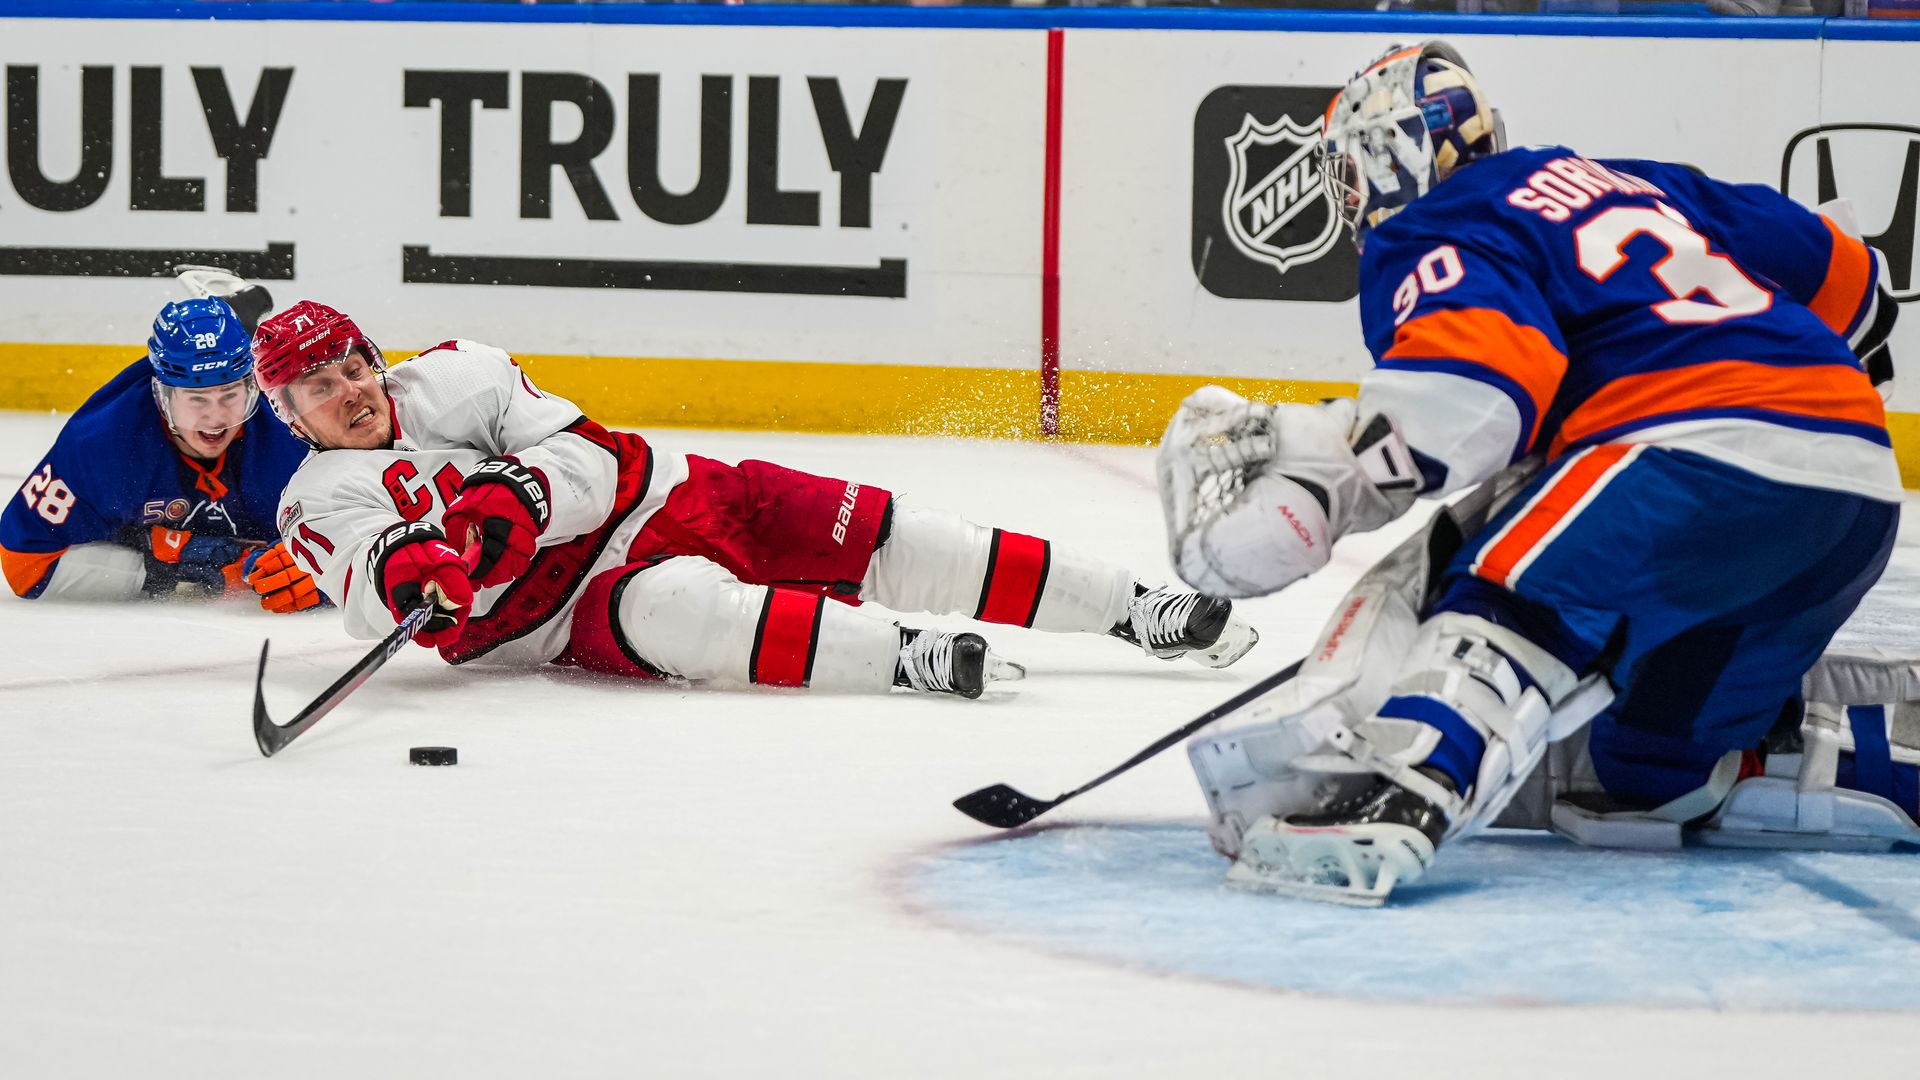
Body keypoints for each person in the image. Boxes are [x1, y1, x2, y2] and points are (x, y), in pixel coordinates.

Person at [1160, 40, 1908, 903]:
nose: (1357, 201)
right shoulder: (1636, 183)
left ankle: (1405, 789)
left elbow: (1472, 396)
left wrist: (1324, 478)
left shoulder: (1441, 224)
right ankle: (1875, 764)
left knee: (1502, 590)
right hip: (1852, 486)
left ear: (1392, 153)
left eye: (1353, 175)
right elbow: (1856, 284)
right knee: (1653, 774)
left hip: (1696, 455)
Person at [251, 300, 1258, 699]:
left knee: (905, 534)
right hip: (558, 616)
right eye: (315, 390)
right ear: (290, 414)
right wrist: (416, 575)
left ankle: (1136, 608)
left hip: (677, 494)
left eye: (350, 369)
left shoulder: (459, 374)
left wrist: (497, 512)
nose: (345, 394)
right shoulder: (314, 503)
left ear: (375, 363)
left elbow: (587, 465)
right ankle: (909, 660)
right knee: (684, 616)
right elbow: (372, 586)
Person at [1, 278, 320, 611]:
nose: (215, 418)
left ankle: (236, 318)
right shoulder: (104, 445)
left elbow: (370, 521)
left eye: (230, 395)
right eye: (196, 399)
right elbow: (26, 564)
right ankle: (232, 318)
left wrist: (329, 570)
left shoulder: (297, 427)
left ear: (253, 387)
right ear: (162, 396)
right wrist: (171, 565)